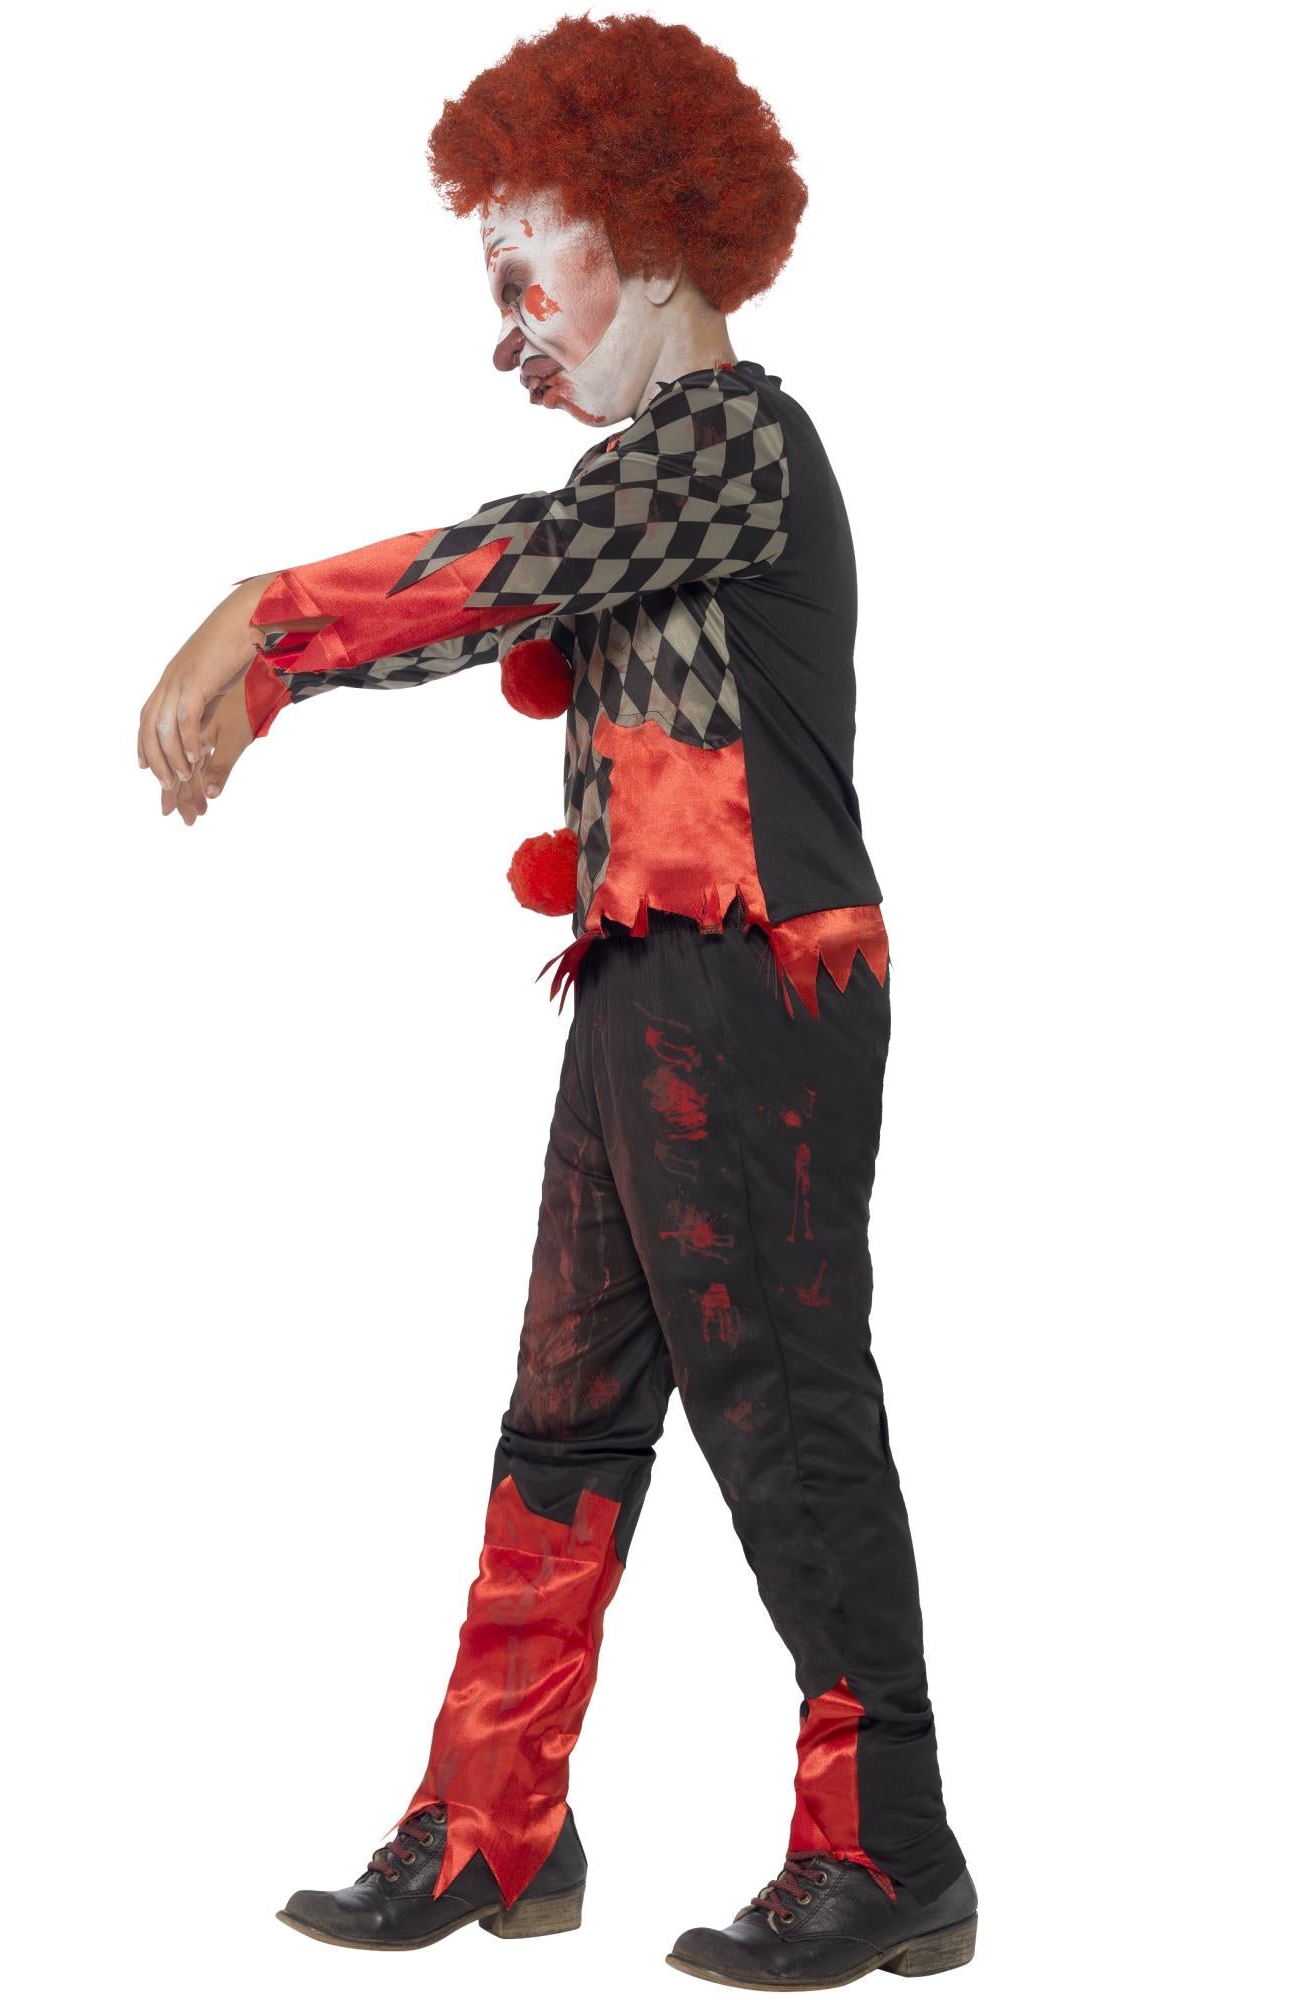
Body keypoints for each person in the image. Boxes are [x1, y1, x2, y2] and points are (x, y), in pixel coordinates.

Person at [135, 12, 976, 1988]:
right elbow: (546, 573)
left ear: (659, 239)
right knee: (570, 1411)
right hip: (639, 976)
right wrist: (284, 658)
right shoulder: (666, 467)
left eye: (528, 275)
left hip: (755, 979)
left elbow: (529, 560)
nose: (508, 335)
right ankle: (495, 1816)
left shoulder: (735, 443)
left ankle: (890, 1839)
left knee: (782, 1401)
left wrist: (270, 618)